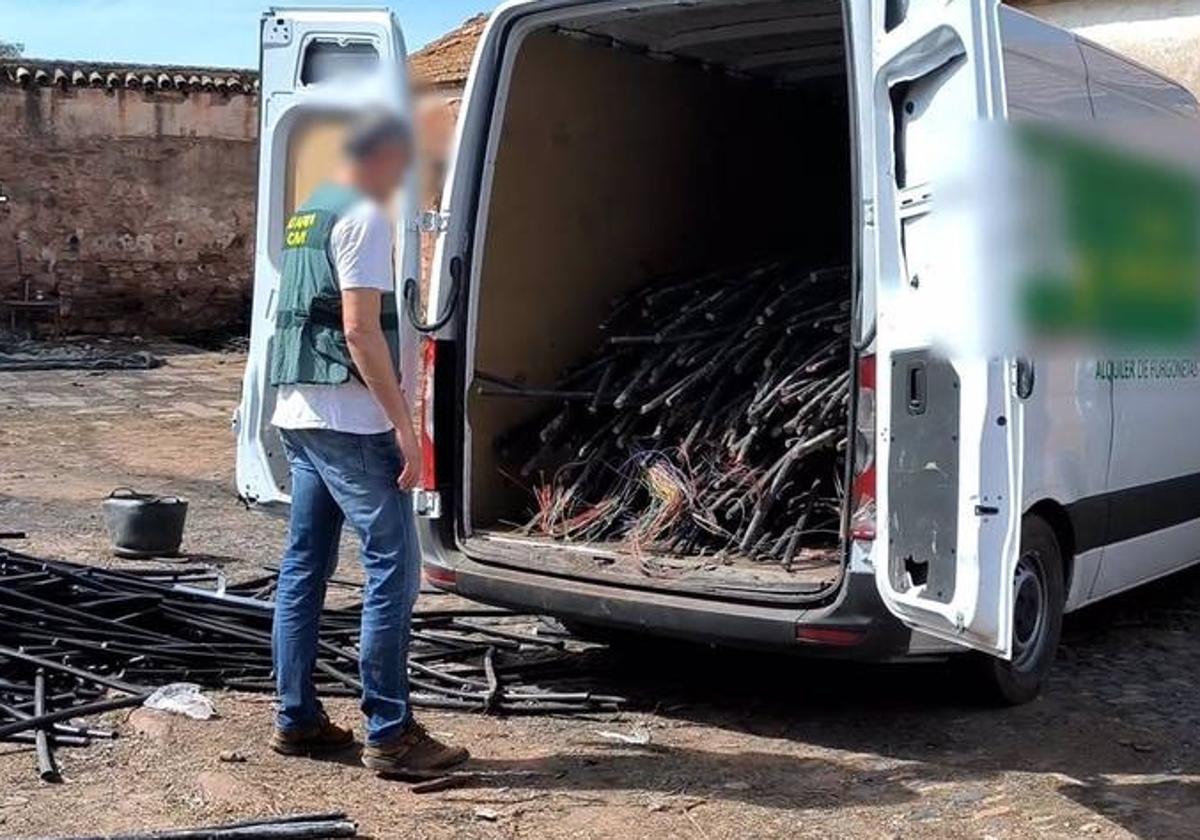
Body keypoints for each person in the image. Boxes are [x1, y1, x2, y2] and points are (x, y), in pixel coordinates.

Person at [267, 109, 468, 775]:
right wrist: (407, 431)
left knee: (304, 569)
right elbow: (359, 330)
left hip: (299, 411)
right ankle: (391, 732)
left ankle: (297, 720)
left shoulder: (311, 208)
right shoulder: (365, 214)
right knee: (394, 571)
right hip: (350, 420)